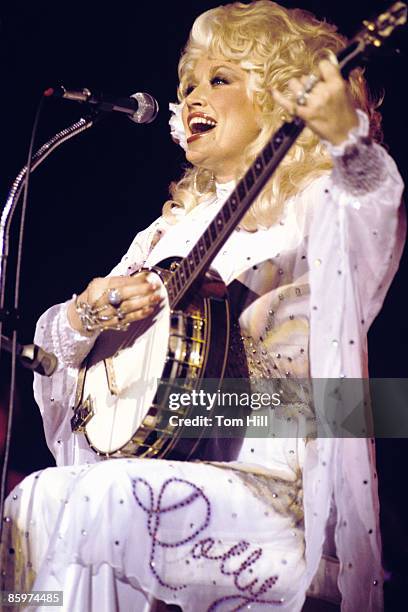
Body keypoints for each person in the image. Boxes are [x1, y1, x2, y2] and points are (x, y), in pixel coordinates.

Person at [0, 1, 404, 610]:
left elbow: (373, 221)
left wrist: (345, 138)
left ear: (276, 95)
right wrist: (86, 316)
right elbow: (63, 364)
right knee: (32, 501)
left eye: (220, 79)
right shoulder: (166, 234)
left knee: (102, 496)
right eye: (187, 83)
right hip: (167, 459)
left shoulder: (317, 199)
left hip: (275, 480)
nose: (191, 96)